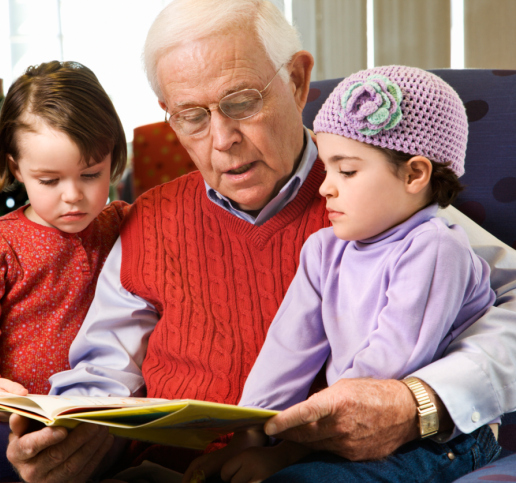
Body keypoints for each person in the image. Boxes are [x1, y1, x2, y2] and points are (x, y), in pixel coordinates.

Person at [6, 1, 516, 482]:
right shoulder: (150, 219)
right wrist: (77, 427)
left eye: (241, 102)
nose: (222, 137)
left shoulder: (383, 196)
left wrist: (419, 402)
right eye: (192, 116)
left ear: (296, 81)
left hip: (325, 463)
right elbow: (106, 361)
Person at [183, 65, 501, 483]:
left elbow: (386, 368)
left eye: (346, 171)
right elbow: (286, 352)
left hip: (437, 441)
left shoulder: (437, 248)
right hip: (343, 427)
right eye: (327, 168)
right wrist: (250, 436)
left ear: (414, 174)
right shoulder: (323, 249)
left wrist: (286, 454)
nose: (325, 188)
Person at [0, 60, 129, 427]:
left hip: (78, 418)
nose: (73, 195)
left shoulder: (119, 223)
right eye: (49, 180)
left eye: (91, 174)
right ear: (16, 169)